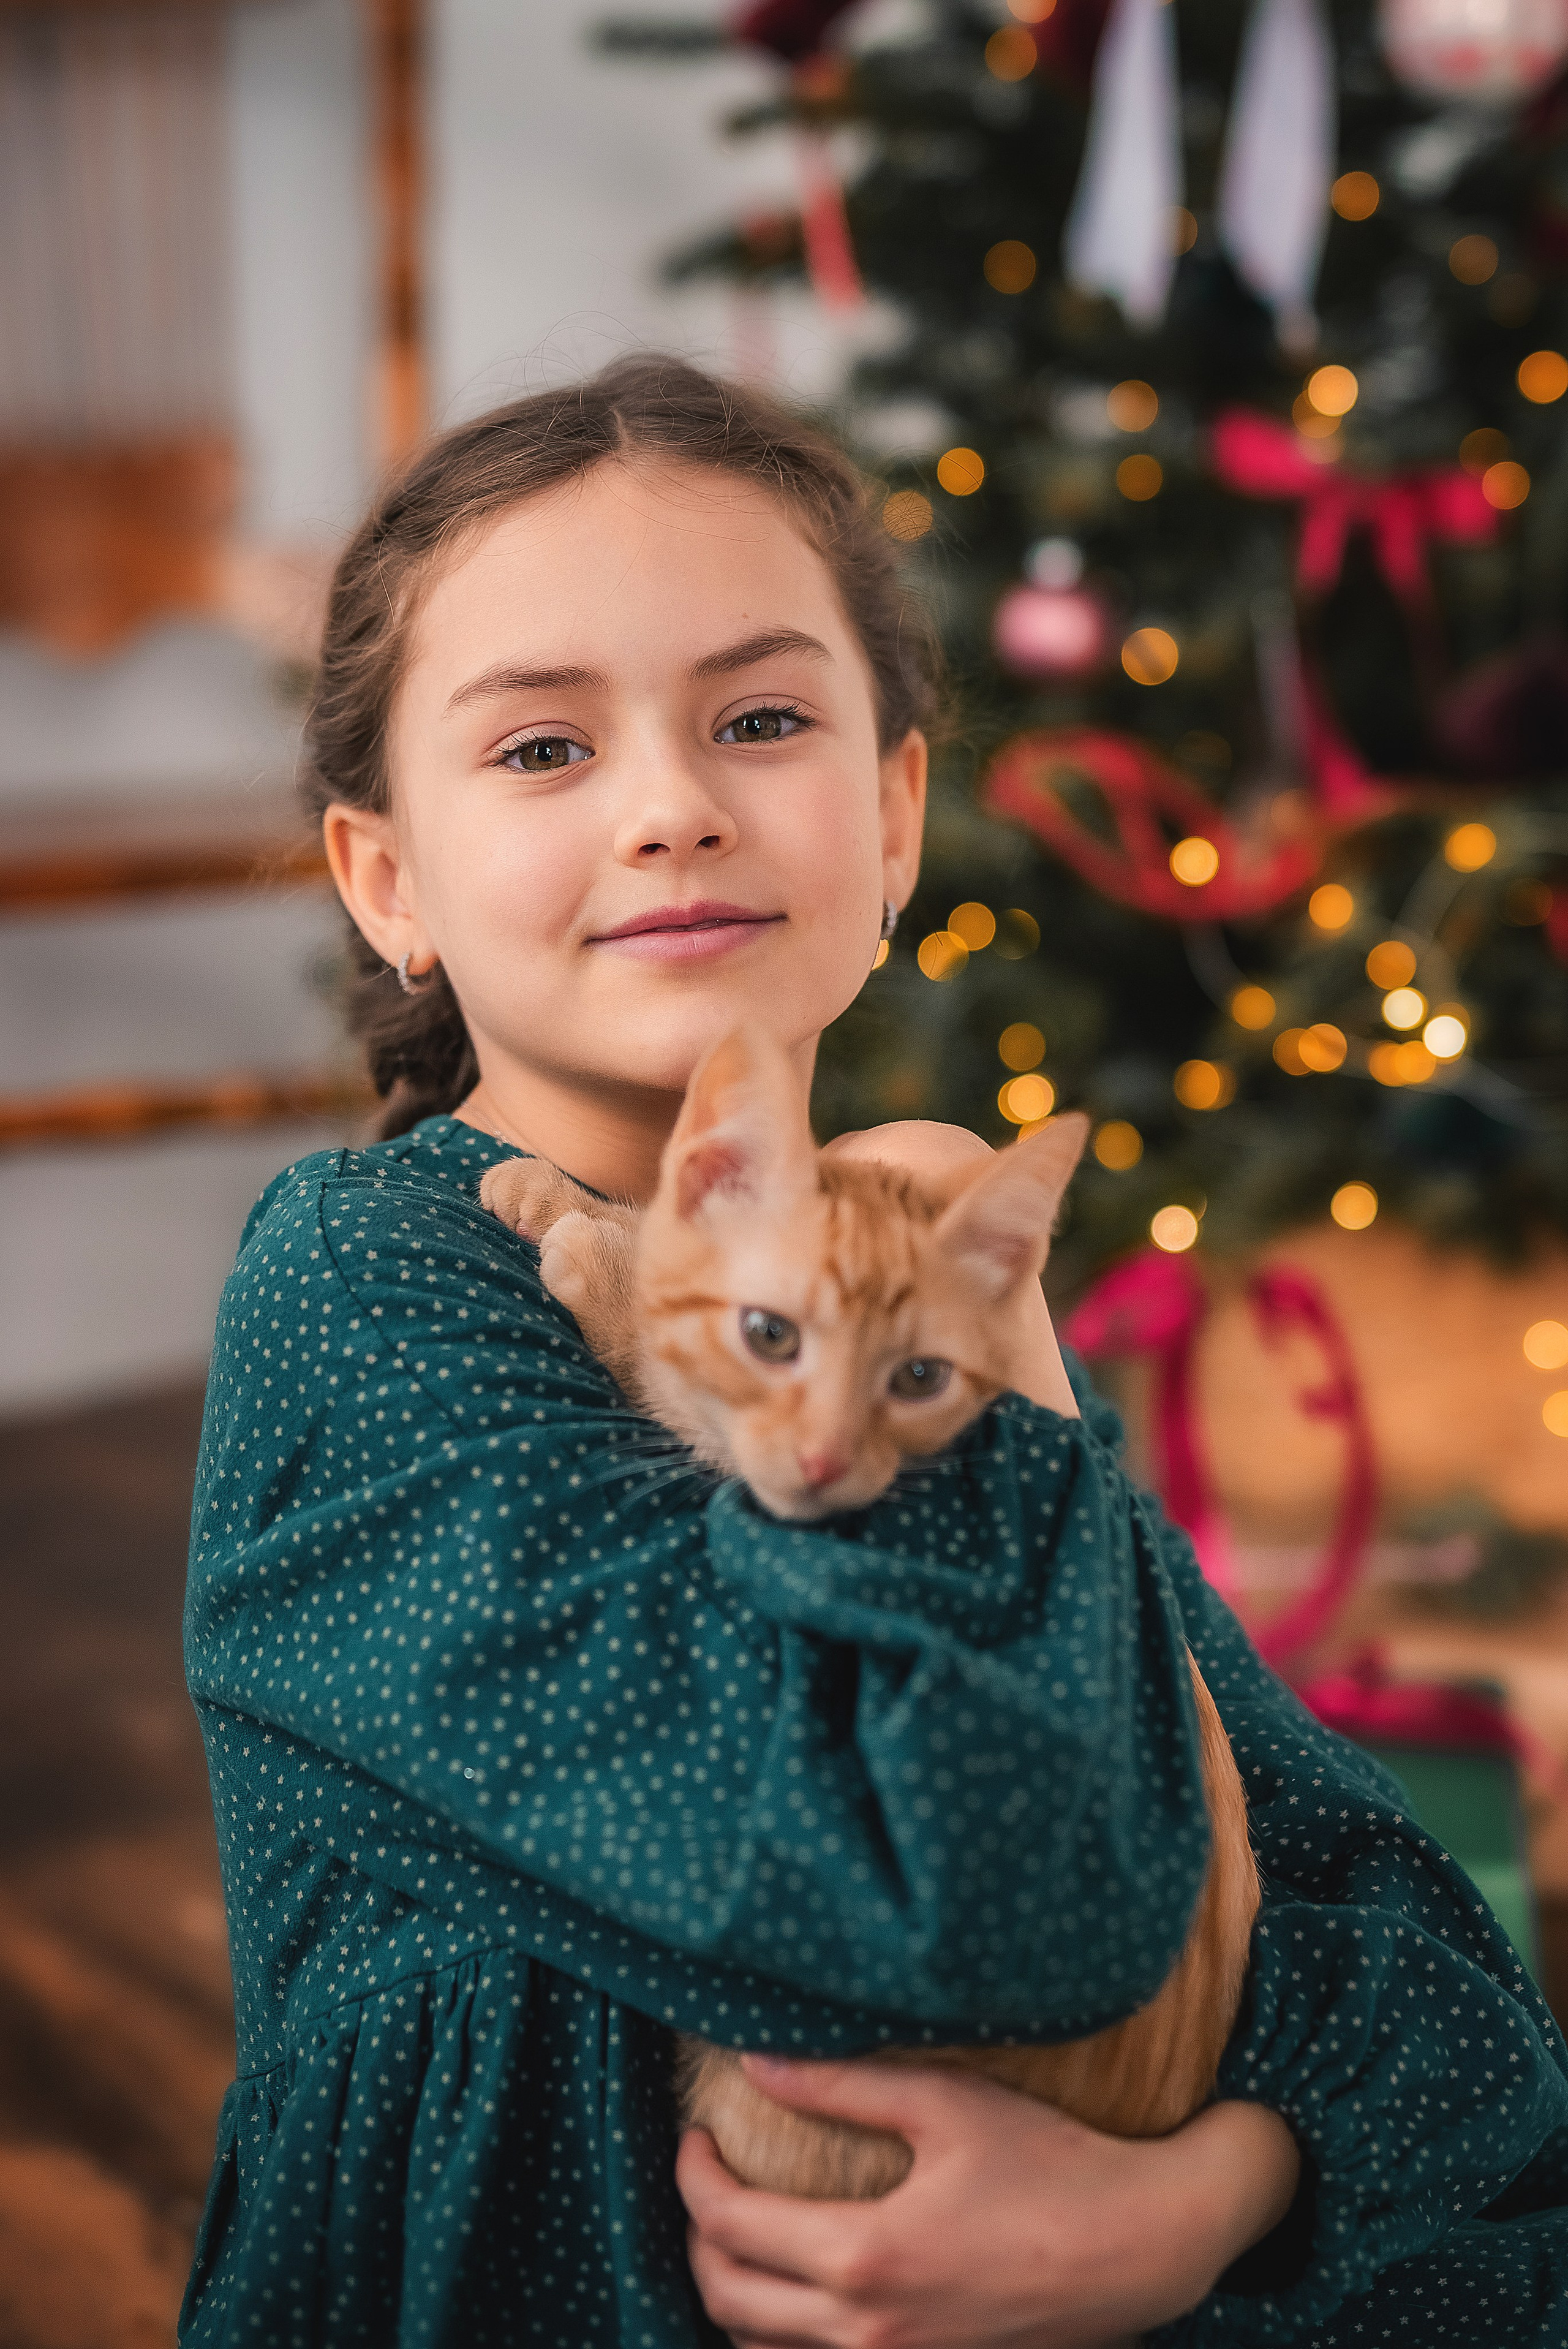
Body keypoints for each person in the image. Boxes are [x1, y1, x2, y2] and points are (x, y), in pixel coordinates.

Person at [181, 356, 1568, 2348]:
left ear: (899, 815)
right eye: (544, 750)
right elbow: (979, 1901)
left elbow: (1441, 1972)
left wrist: (1204, 2195)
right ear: (386, 879)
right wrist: (982, 1375)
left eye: (759, 718)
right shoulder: (366, 1295)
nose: (671, 806)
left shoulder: (936, 1292)